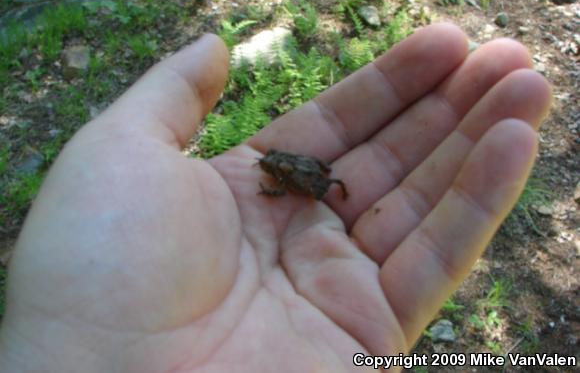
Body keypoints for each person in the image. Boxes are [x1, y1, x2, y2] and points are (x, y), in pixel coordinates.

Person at [0, 23, 551, 372]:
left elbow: (300, 180)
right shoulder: (279, 172)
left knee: (315, 177)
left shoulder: (294, 178)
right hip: (306, 178)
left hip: (310, 179)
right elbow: (282, 178)